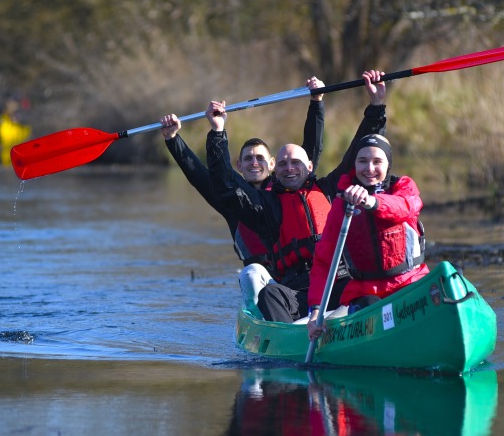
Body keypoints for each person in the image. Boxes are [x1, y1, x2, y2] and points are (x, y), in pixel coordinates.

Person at [207, 70, 389, 323]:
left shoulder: (331, 188)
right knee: (270, 294)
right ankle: (292, 337)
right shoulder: (266, 206)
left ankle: (359, 328)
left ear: (310, 166)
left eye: (295, 162)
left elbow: (359, 149)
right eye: (282, 164)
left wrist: (377, 105)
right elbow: (226, 183)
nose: (289, 167)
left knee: (369, 293)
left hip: (338, 280)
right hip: (297, 289)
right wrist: (218, 132)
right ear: (274, 170)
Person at [159, 77, 325, 318]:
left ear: (272, 164)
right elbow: (198, 175)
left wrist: (316, 102)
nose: (254, 162)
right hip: (260, 283)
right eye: (247, 159)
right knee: (251, 272)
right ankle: (263, 319)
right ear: (238, 165)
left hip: (293, 278)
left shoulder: (289, 190)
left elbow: (310, 151)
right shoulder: (231, 202)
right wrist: (173, 139)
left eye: (259, 158)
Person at [306, 131, 429, 342]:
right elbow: (325, 262)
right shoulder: (341, 204)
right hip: (365, 293)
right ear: (354, 164)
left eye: (377, 161)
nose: (369, 168)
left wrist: (373, 202)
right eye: (362, 161)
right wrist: (316, 310)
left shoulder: (404, 188)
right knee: (370, 307)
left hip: (410, 283)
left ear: (387, 165)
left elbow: (405, 207)